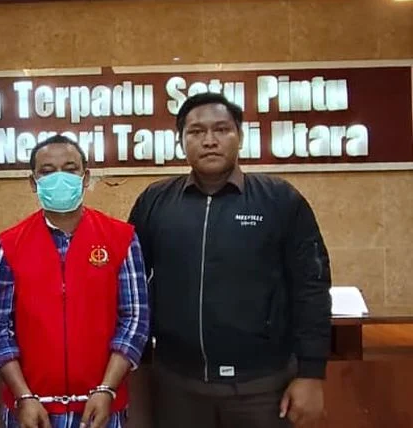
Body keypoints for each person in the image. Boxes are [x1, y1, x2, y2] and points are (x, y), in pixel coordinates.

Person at [128, 93, 331, 428]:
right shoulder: (155, 201)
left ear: (240, 136)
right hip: (177, 385)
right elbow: (131, 286)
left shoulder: (280, 200)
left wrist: (311, 373)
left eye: (221, 129)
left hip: (263, 385)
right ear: (181, 141)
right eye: (196, 132)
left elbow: (311, 288)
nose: (209, 140)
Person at [0, 134, 150, 428]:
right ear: (33, 182)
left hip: (100, 406)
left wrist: (107, 389)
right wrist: (24, 397)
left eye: (70, 169)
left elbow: (135, 320)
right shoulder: (10, 244)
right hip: (31, 409)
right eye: (47, 172)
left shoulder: (120, 238)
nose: (59, 178)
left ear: (85, 177)